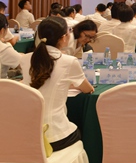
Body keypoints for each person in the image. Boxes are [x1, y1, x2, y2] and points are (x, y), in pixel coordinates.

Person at [20, 17, 94, 152]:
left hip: (29, 132)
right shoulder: (69, 61)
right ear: (64, 37)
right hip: (55, 135)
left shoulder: (25, 59)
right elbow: (87, 89)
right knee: (84, 130)